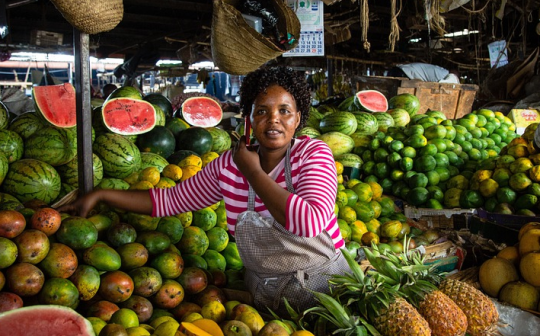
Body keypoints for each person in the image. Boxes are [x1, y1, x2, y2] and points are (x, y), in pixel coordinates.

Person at [59, 66, 350, 315]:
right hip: (265, 298)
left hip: (327, 292)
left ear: (298, 119)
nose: (273, 119)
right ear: (247, 119)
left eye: (284, 111)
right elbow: (170, 200)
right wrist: (101, 195)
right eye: (261, 111)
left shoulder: (313, 153)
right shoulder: (228, 167)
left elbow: (309, 221)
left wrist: (252, 171)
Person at [387, 63, 460, 83]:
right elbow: (444, 85)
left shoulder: (441, 71)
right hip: (404, 74)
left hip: (399, 70)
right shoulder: (451, 76)